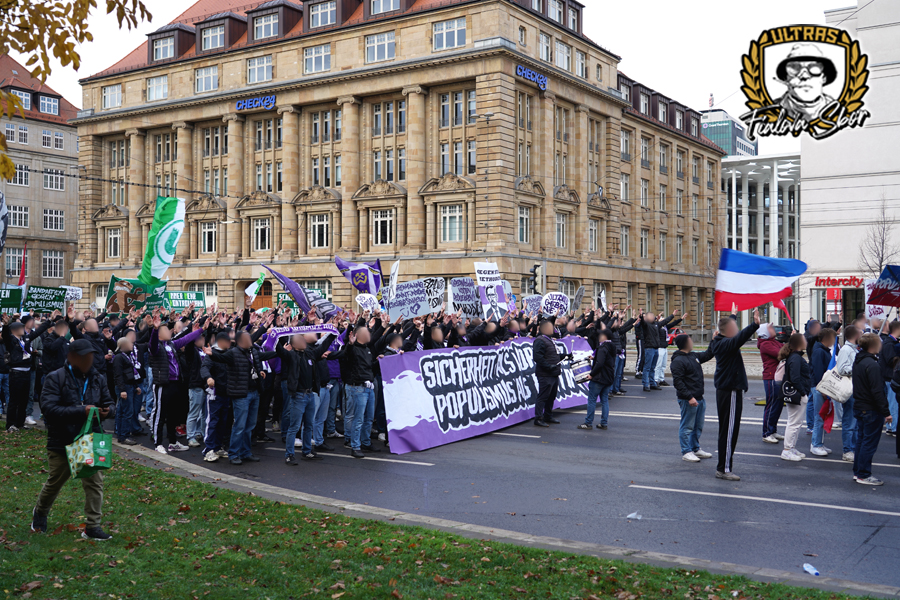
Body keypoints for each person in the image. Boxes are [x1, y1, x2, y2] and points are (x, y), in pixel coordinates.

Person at [31, 339, 116, 540]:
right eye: (84, 356)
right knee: (55, 481)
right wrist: (81, 410)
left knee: (94, 482)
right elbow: (49, 409)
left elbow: (109, 402)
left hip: (89, 439)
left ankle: (92, 526)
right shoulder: (55, 378)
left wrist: (108, 411)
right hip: (62, 439)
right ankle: (40, 512)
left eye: (91, 356)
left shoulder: (98, 378)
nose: (89, 360)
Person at [205, 329, 276, 465]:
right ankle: (233, 454)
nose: (250, 340)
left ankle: (245, 452)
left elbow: (263, 356)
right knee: (240, 425)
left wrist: (280, 352)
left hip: (254, 392)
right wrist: (212, 354)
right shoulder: (233, 353)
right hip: (241, 395)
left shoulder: (252, 351)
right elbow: (221, 358)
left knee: (250, 425)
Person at [709, 308, 760, 481]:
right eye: (734, 326)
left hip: (727, 390)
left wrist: (733, 315)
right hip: (730, 390)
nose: (737, 329)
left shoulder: (720, 341)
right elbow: (739, 338)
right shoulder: (725, 344)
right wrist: (754, 324)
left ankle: (723, 467)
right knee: (729, 431)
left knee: (727, 430)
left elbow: (729, 332)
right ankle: (724, 469)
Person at [148, 315, 203, 454]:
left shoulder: (171, 344)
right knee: (160, 415)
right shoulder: (156, 346)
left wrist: (200, 330)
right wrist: (155, 329)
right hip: (163, 384)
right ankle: (158, 443)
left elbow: (185, 339)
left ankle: (172, 442)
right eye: (166, 330)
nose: (169, 332)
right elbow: (152, 344)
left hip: (175, 383)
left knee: (173, 414)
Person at [276, 332, 333, 465]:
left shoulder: (310, 354)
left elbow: (323, 347)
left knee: (308, 425)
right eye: (300, 340)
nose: (303, 341)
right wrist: (274, 335)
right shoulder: (290, 356)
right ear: (294, 344)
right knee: (294, 427)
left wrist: (332, 334)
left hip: (310, 394)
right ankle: (289, 455)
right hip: (298, 396)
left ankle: (307, 451)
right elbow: (278, 349)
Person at [326, 324, 382, 457]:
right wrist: (350, 344)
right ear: (358, 335)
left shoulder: (367, 349)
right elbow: (347, 354)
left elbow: (368, 367)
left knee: (369, 418)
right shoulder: (352, 349)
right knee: (358, 418)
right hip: (358, 388)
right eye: (366, 333)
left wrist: (379, 361)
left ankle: (366, 442)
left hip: (368, 387)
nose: (369, 335)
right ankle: (355, 446)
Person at [3, 313, 55, 432]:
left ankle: (20, 423)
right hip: (16, 373)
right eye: (20, 328)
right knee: (14, 400)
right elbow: (5, 335)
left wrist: (49, 321)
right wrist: (6, 325)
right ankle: (10, 424)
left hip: (27, 372)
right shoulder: (11, 340)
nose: (23, 329)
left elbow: (38, 332)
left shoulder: (25, 339)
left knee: (24, 399)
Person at [852, 333, 891, 485]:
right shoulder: (873, 365)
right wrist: (886, 412)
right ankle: (863, 474)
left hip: (860, 405)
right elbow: (877, 391)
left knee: (862, 440)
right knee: (869, 443)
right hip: (871, 408)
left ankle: (858, 472)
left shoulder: (859, 361)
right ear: (873, 345)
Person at [670, 334, 714, 462]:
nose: (692, 342)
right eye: (690, 340)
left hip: (699, 397)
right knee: (687, 426)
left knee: (697, 426)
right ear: (685, 343)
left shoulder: (693, 356)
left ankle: (695, 448)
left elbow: (708, 354)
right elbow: (678, 383)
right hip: (688, 399)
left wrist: (713, 340)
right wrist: (689, 397)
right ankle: (686, 451)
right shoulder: (678, 361)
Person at [774, 44, 838, 122]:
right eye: (794, 68)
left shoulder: (838, 110)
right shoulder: (771, 110)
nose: (804, 76)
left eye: (814, 68)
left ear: (824, 77)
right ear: (786, 78)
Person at [779, 333, 812, 462]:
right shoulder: (796, 358)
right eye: (804, 340)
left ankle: (791, 448)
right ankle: (787, 450)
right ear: (799, 343)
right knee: (794, 423)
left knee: (796, 423)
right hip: (797, 395)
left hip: (797, 394)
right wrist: (803, 393)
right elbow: (795, 378)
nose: (806, 342)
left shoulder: (795, 356)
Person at [579, 329, 615, 430]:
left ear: (605, 337)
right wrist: (594, 358)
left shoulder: (602, 348)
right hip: (608, 377)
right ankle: (604, 423)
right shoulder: (612, 346)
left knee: (592, 400)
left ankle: (588, 423)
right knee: (604, 401)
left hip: (599, 378)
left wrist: (591, 374)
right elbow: (606, 360)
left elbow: (600, 364)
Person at [808, 328, 837, 456]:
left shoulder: (822, 350)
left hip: (821, 387)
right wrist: (824, 389)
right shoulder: (819, 351)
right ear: (826, 339)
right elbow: (819, 372)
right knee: (819, 417)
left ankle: (819, 442)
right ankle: (816, 444)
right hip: (820, 388)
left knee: (822, 416)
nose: (834, 341)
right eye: (833, 338)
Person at [835, 325, 861, 462]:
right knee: (849, 422)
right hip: (849, 390)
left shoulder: (854, 349)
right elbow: (842, 369)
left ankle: (853, 448)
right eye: (860, 333)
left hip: (855, 389)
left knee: (855, 423)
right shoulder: (846, 350)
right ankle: (848, 450)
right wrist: (858, 367)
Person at [111, 337, 142, 445]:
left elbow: (130, 373)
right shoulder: (119, 358)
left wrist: (135, 386)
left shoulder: (127, 356)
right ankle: (124, 435)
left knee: (121, 411)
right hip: (125, 387)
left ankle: (120, 433)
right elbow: (118, 375)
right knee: (127, 412)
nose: (132, 344)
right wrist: (122, 390)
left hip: (129, 386)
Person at [531, 320, 563, 427]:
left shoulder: (550, 340)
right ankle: (538, 418)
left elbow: (553, 355)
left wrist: (565, 356)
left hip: (554, 373)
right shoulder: (540, 340)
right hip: (545, 374)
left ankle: (548, 415)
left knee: (551, 396)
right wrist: (548, 366)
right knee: (543, 396)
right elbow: (537, 357)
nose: (552, 329)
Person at [759, 323, 785, 443]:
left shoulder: (773, 341)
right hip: (770, 377)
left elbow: (786, 348)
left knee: (778, 405)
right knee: (772, 405)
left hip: (777, 377)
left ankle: (772, 430)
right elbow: (781, 353)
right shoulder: (765, 344)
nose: (773, 329)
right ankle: (766, 433)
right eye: (770, 327)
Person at [879, 321, 900, 437]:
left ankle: (892, 426)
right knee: (893, 403)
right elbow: (890, 360)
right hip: (889, 377)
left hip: (889, 377)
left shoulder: (891, 342)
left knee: (892, 402)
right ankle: (892, 427)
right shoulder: (889, 343)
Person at [638, 312, 661, 392]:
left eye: (653, 316)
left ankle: (652, 383)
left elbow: (665, 322)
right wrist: (641, 316)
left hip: (655, 348)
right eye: (650, 316)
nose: (652, 317)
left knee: (653, 367)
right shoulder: (646, 325)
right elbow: (642, 323)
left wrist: (673, 315)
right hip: (649, 348)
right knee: (647, 367)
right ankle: (645, 384)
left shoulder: (655, 324)